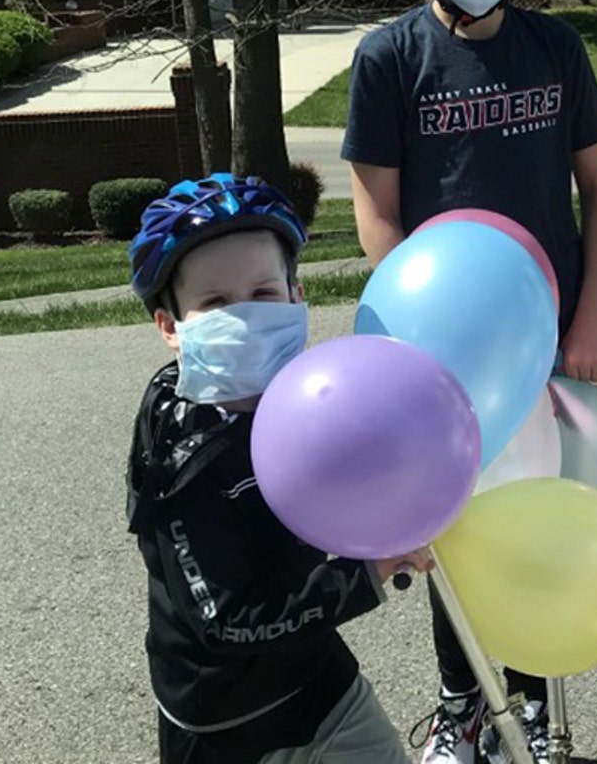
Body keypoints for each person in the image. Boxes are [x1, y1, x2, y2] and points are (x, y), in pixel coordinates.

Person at [343, 0, 597, 764]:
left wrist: (591, 317)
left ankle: (534, 706)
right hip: (447, 348)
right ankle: (465, 704)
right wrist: (413, 340)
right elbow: (376, 213)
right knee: (455, 534)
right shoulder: (390, 59)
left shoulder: (556, 46)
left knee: (537, 521)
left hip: (549, 336)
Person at [126, 173, 430, 764]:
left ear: (295, 296)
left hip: (318, 681)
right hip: (224, 720)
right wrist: (365, 575)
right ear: (171, 326)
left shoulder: (309, 396)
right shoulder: (182, 460)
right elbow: (228, 620)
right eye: (215, 304)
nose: (245, 318)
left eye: (263, 294)